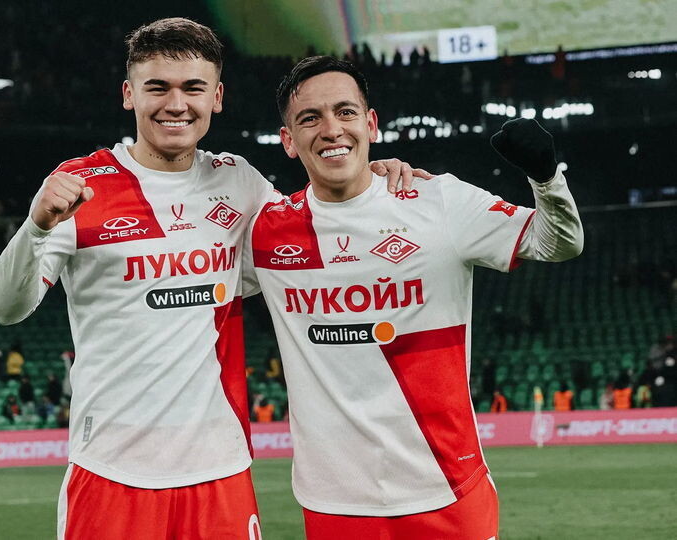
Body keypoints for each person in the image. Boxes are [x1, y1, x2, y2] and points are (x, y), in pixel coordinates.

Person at [0, 18, 422, 540]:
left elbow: (320, 231)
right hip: (110, 469)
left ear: (216, 97)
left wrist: (367, 176)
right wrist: (36, 226)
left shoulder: (238, 182)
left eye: (193, 88)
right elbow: (5, 308)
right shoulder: (80, 185)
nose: (176, 104)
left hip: (221, 470)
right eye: (158, 88)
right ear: (128, 94)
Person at [242, 55, 583, 538]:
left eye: (345, 112)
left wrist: (546, 178)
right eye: (310, 118)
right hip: (333, 502)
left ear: (371, 123)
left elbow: (558, 242)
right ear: (288, 141)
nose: (331, 129)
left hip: (448, 491)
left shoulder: (438, 200)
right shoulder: (267, 232)